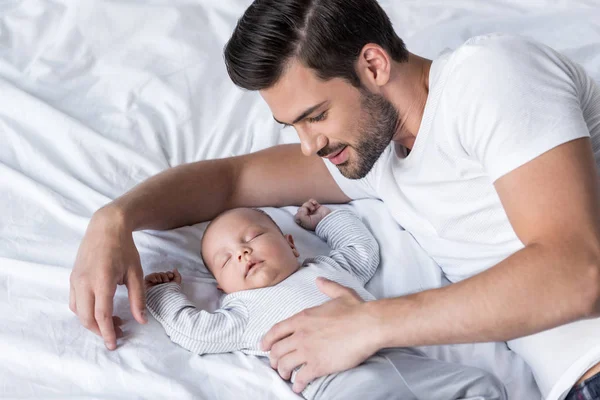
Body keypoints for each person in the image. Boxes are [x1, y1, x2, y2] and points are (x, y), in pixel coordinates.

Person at [69, 0, 600, 399]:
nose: (309, 146)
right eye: (291, 125)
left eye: (315, 115)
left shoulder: (489, 75)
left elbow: (579, 272)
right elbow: (230, 182)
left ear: (372, 65)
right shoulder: (371, 157)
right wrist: (115, 219)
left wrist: (371, 324)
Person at [143, 200, 507, 399]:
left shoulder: (327, 268)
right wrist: (165, 293)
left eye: (252, 237)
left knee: (485, 387)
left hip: (407, 360)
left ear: (290, 244)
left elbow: (361, 249)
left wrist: (325, 221)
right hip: (347, 386)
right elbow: (196, 332)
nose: (241, 253)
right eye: (225, 260)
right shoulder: (241, 311)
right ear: (221, 287)